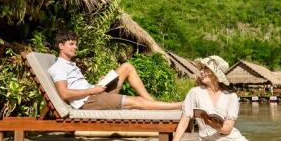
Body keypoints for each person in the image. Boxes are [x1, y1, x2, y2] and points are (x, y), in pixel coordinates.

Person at [152, 55, 277, 141]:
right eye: (202, 69)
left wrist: (213, 123)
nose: (202, 72)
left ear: (216, 74)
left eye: (206, 69)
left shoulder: (231, 97)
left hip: (232, 137)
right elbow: (182, 124)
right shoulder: (195, 93)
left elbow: (227, 128)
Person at [48, 30, 181, 111]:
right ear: (61, 46)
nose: (75, 47)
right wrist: (93, 90)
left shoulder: (70, 64)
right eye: (71, 44)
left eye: (76, 44)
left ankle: (151, 102)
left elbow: (78, 86)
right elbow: (64, 94)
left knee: (127, 67)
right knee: (137, 101)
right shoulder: (59, 67)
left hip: (94, 94)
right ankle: (178, 106)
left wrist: (96, 85)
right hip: (89, 102)